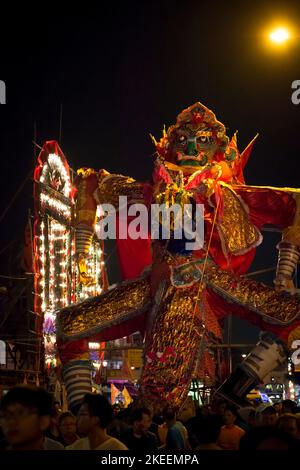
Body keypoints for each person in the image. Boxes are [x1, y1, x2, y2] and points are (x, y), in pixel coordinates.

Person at [0, 385, 64, 450]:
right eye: (5, 415)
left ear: (43, 421)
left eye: (21, 413)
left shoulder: (56, 447)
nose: (11, 422)